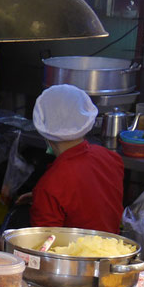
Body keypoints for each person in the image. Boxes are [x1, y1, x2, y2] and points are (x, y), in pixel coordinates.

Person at [28, 84, 124, 233]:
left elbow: (44, 247)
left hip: (76, 256)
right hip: (114, 251)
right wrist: (40, 198)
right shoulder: (111, 158)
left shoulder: (50, 185)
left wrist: (43, 199)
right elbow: (92, 200)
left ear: (44, 130)